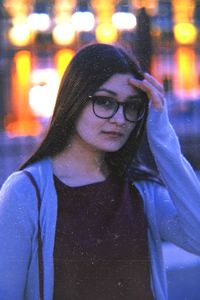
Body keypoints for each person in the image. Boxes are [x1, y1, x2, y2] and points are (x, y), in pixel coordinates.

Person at [0, 43, 200, 300]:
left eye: (131, 106)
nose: (119, 119)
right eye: (105, 102)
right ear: (74, 100)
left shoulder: (140, 188)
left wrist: (162, 136)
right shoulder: (25, 192)